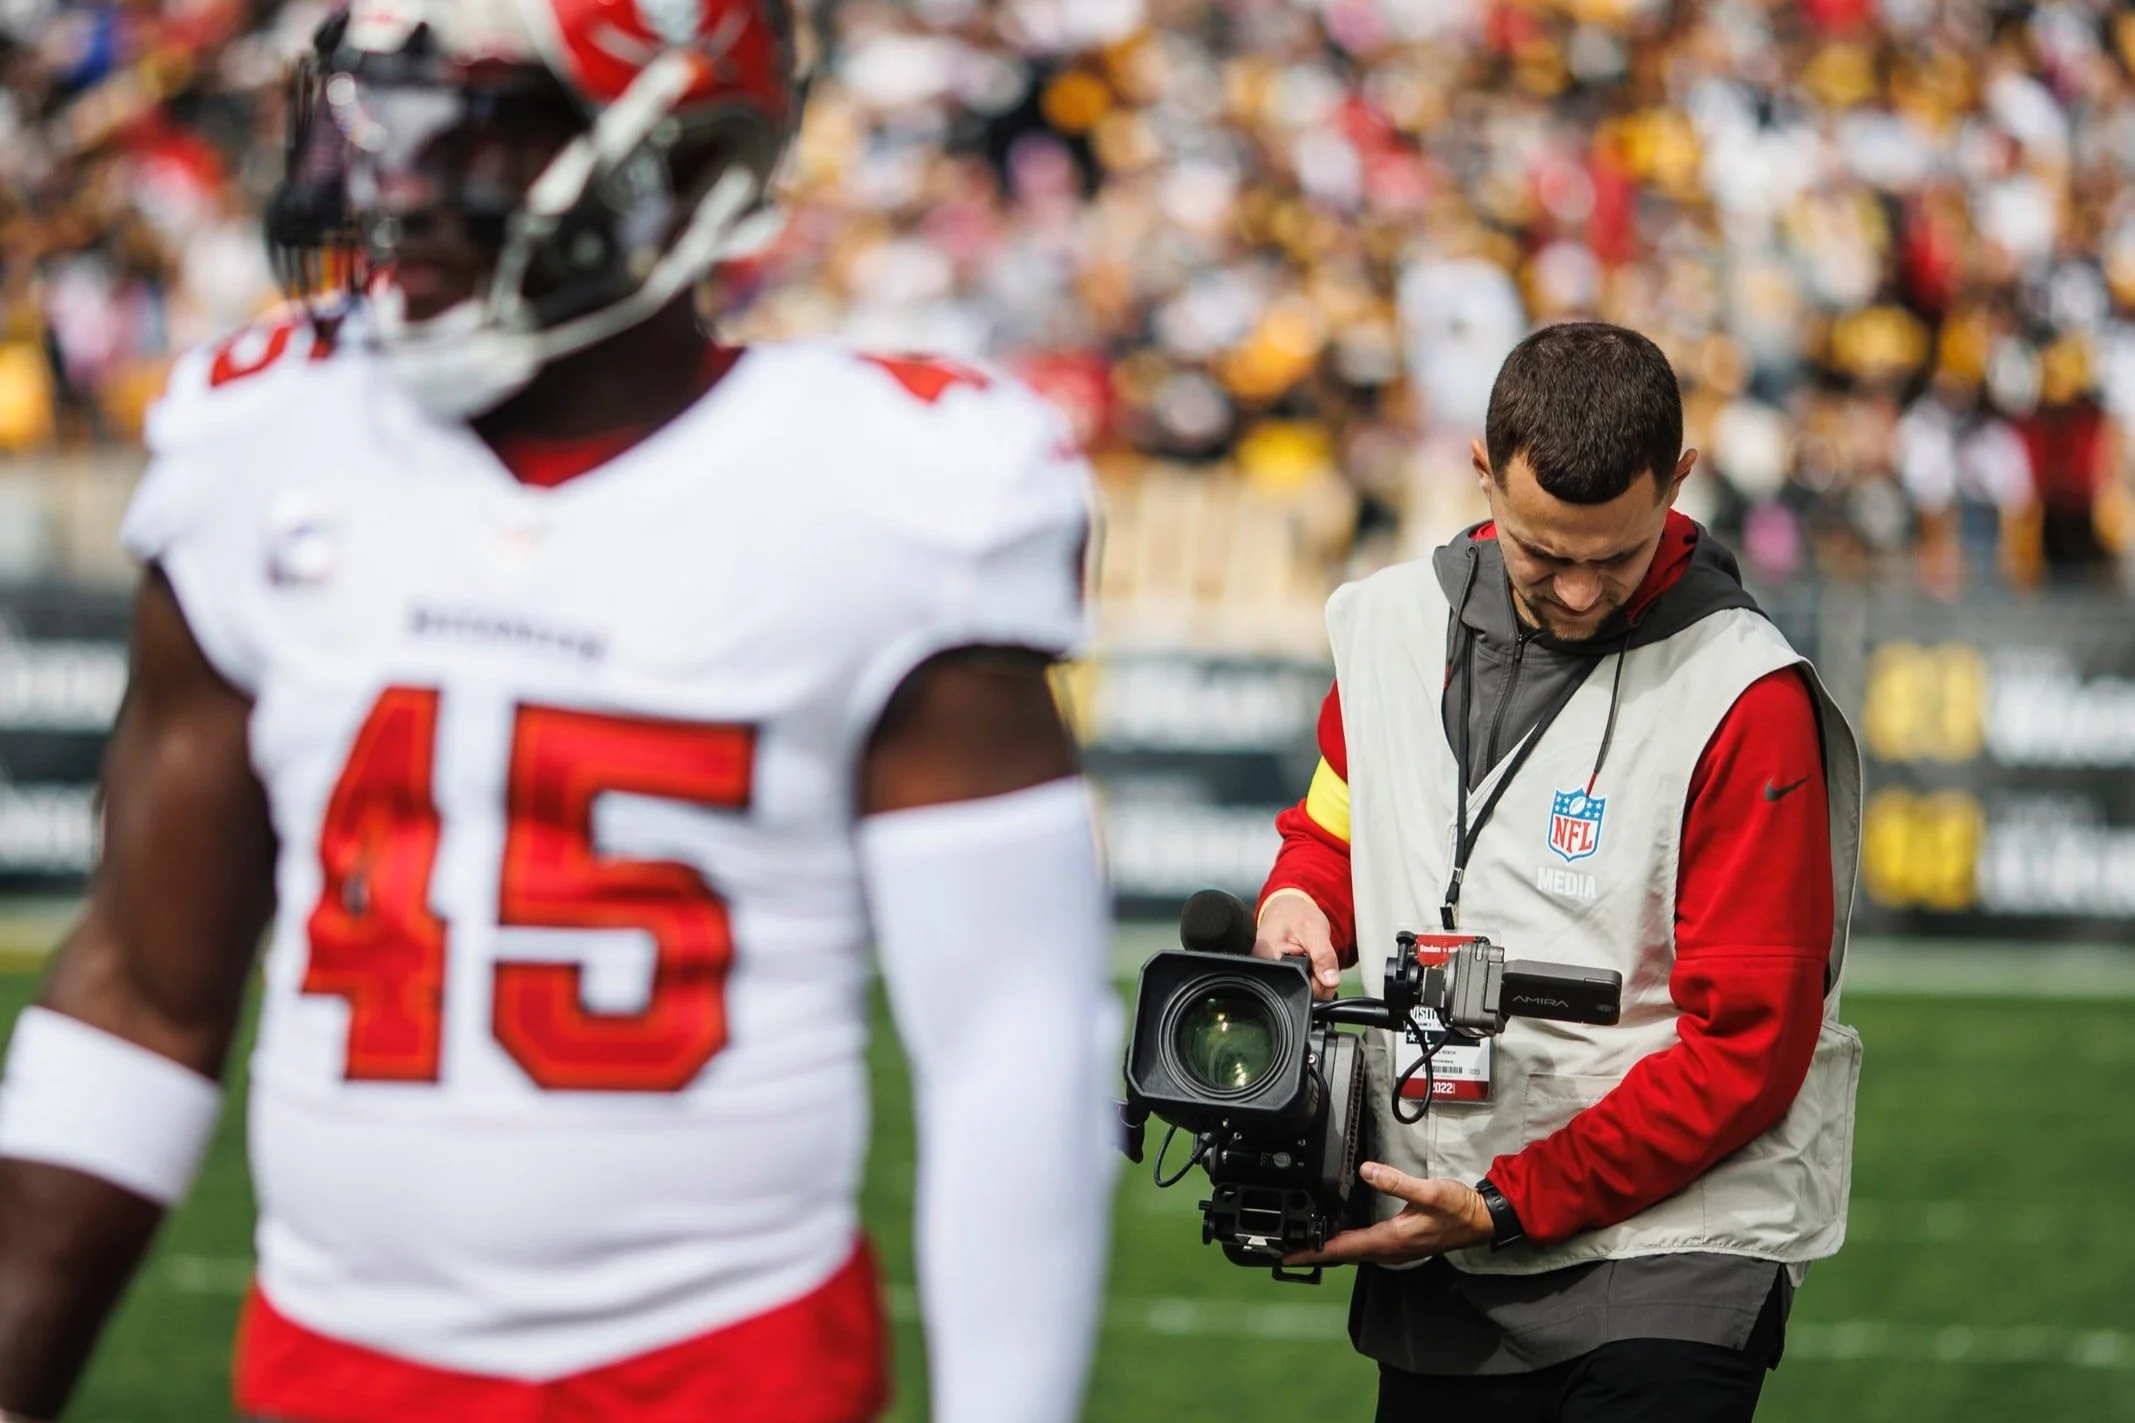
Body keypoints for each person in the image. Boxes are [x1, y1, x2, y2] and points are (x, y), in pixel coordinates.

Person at [0, 4, 1117, 1421]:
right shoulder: (258, 442)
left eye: (479, 125)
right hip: (328, 1362)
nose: (396, 184)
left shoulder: (889, 490)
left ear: (679, 152)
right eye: (384, 117)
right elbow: (140, 992)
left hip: (725, 1359)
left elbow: (1011, 1047)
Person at [1253, 322, 1863, 1422]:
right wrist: (1299, 904)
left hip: (1676, 1246)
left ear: (1676, 479)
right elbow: (1330, 834)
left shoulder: (1745, 693)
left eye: (1611, 557)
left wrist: (1506, 1198)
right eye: (1543, 555)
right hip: (1444, 1221)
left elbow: (1747, 1044)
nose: (1578, 592)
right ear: (1480, 472)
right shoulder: (1388, 627)